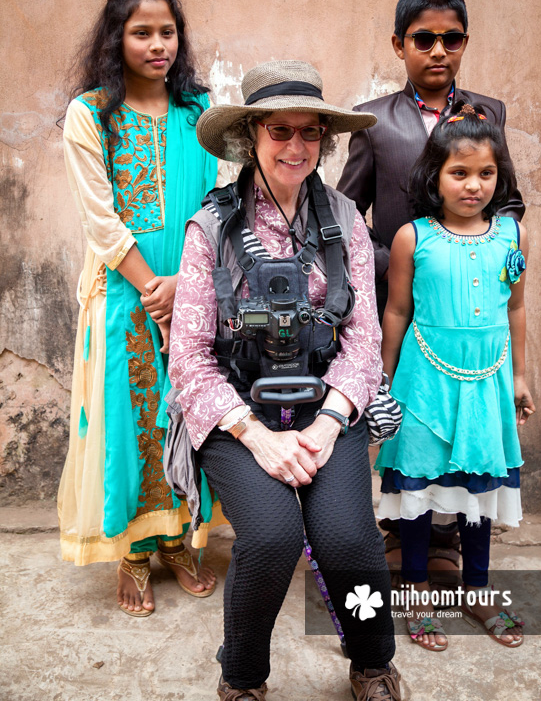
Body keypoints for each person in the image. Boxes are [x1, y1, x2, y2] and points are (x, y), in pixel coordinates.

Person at [169, 60, 401, 700]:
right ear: (251, 138)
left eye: (310, 133)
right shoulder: (211, 230)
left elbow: (362, 338)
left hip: (328, 406)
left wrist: (329, 424)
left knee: (350, 542)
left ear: (324, 140)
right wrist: (257, 437)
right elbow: (188, 355)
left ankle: (372, 660)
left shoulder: (348, 221)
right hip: (238, 413)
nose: (296, 147)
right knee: (271, 540)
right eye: (280, 131)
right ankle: (242, 677)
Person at [337, 0, 525, 584]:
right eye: (425, 39)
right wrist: (395, 261)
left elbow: (511, 204)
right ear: (400, 45)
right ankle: (407, 539)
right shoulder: (373, 121)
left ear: (464, 42)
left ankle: (452, 543)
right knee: (411, 427)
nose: (438, 50)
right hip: (403, 294)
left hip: (472, 306)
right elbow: (345, 215)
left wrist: (491, 253)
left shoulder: (488, 113)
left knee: (468, 426)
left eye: (452, 38)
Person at [58, 0, 222, 617]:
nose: (159, 45)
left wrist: (185, 286)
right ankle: (132, 551)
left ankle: (180, 542)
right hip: (124, 296)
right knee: (131, 427)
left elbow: (218, 208)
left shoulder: (199, 112)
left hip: (192, 289)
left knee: (190, 412)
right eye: (142, 33)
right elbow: (99, 215)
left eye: (168, 31)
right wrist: (151, 286)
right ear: (115, 37)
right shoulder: (91, 112)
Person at [375, 101, 535, 651]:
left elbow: (515, 309)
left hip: (488, 380)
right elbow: (395, 311)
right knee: (419, 485)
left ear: (500, 177)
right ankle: (417, 592)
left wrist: (519, 376)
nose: (473, 185)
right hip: (423, 383)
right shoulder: (412, 238)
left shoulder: (511, 236)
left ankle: (478, 589)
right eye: (459, 173)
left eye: (486, 173)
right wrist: (384, 380)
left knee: (479, 487)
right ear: (434, 177)